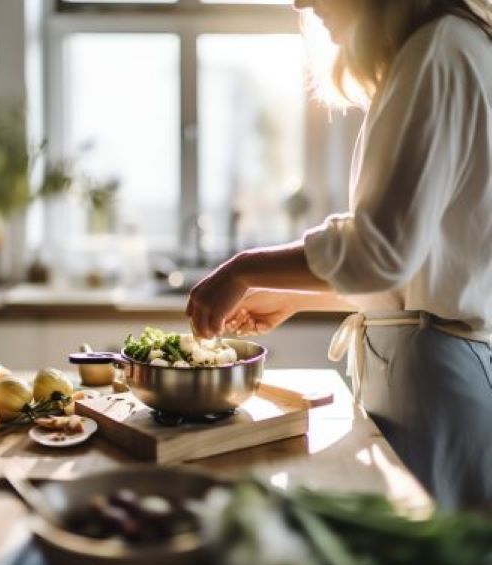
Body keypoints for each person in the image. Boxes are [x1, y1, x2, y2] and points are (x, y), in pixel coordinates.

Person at [186, 0, 492, 509]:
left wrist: (244, 269)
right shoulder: (450, 46)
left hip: (435, 388)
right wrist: (295, 296)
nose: (301, 2)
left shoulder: (438, 51)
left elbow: (380, 250)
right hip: (432, 375)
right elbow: (416, 269)